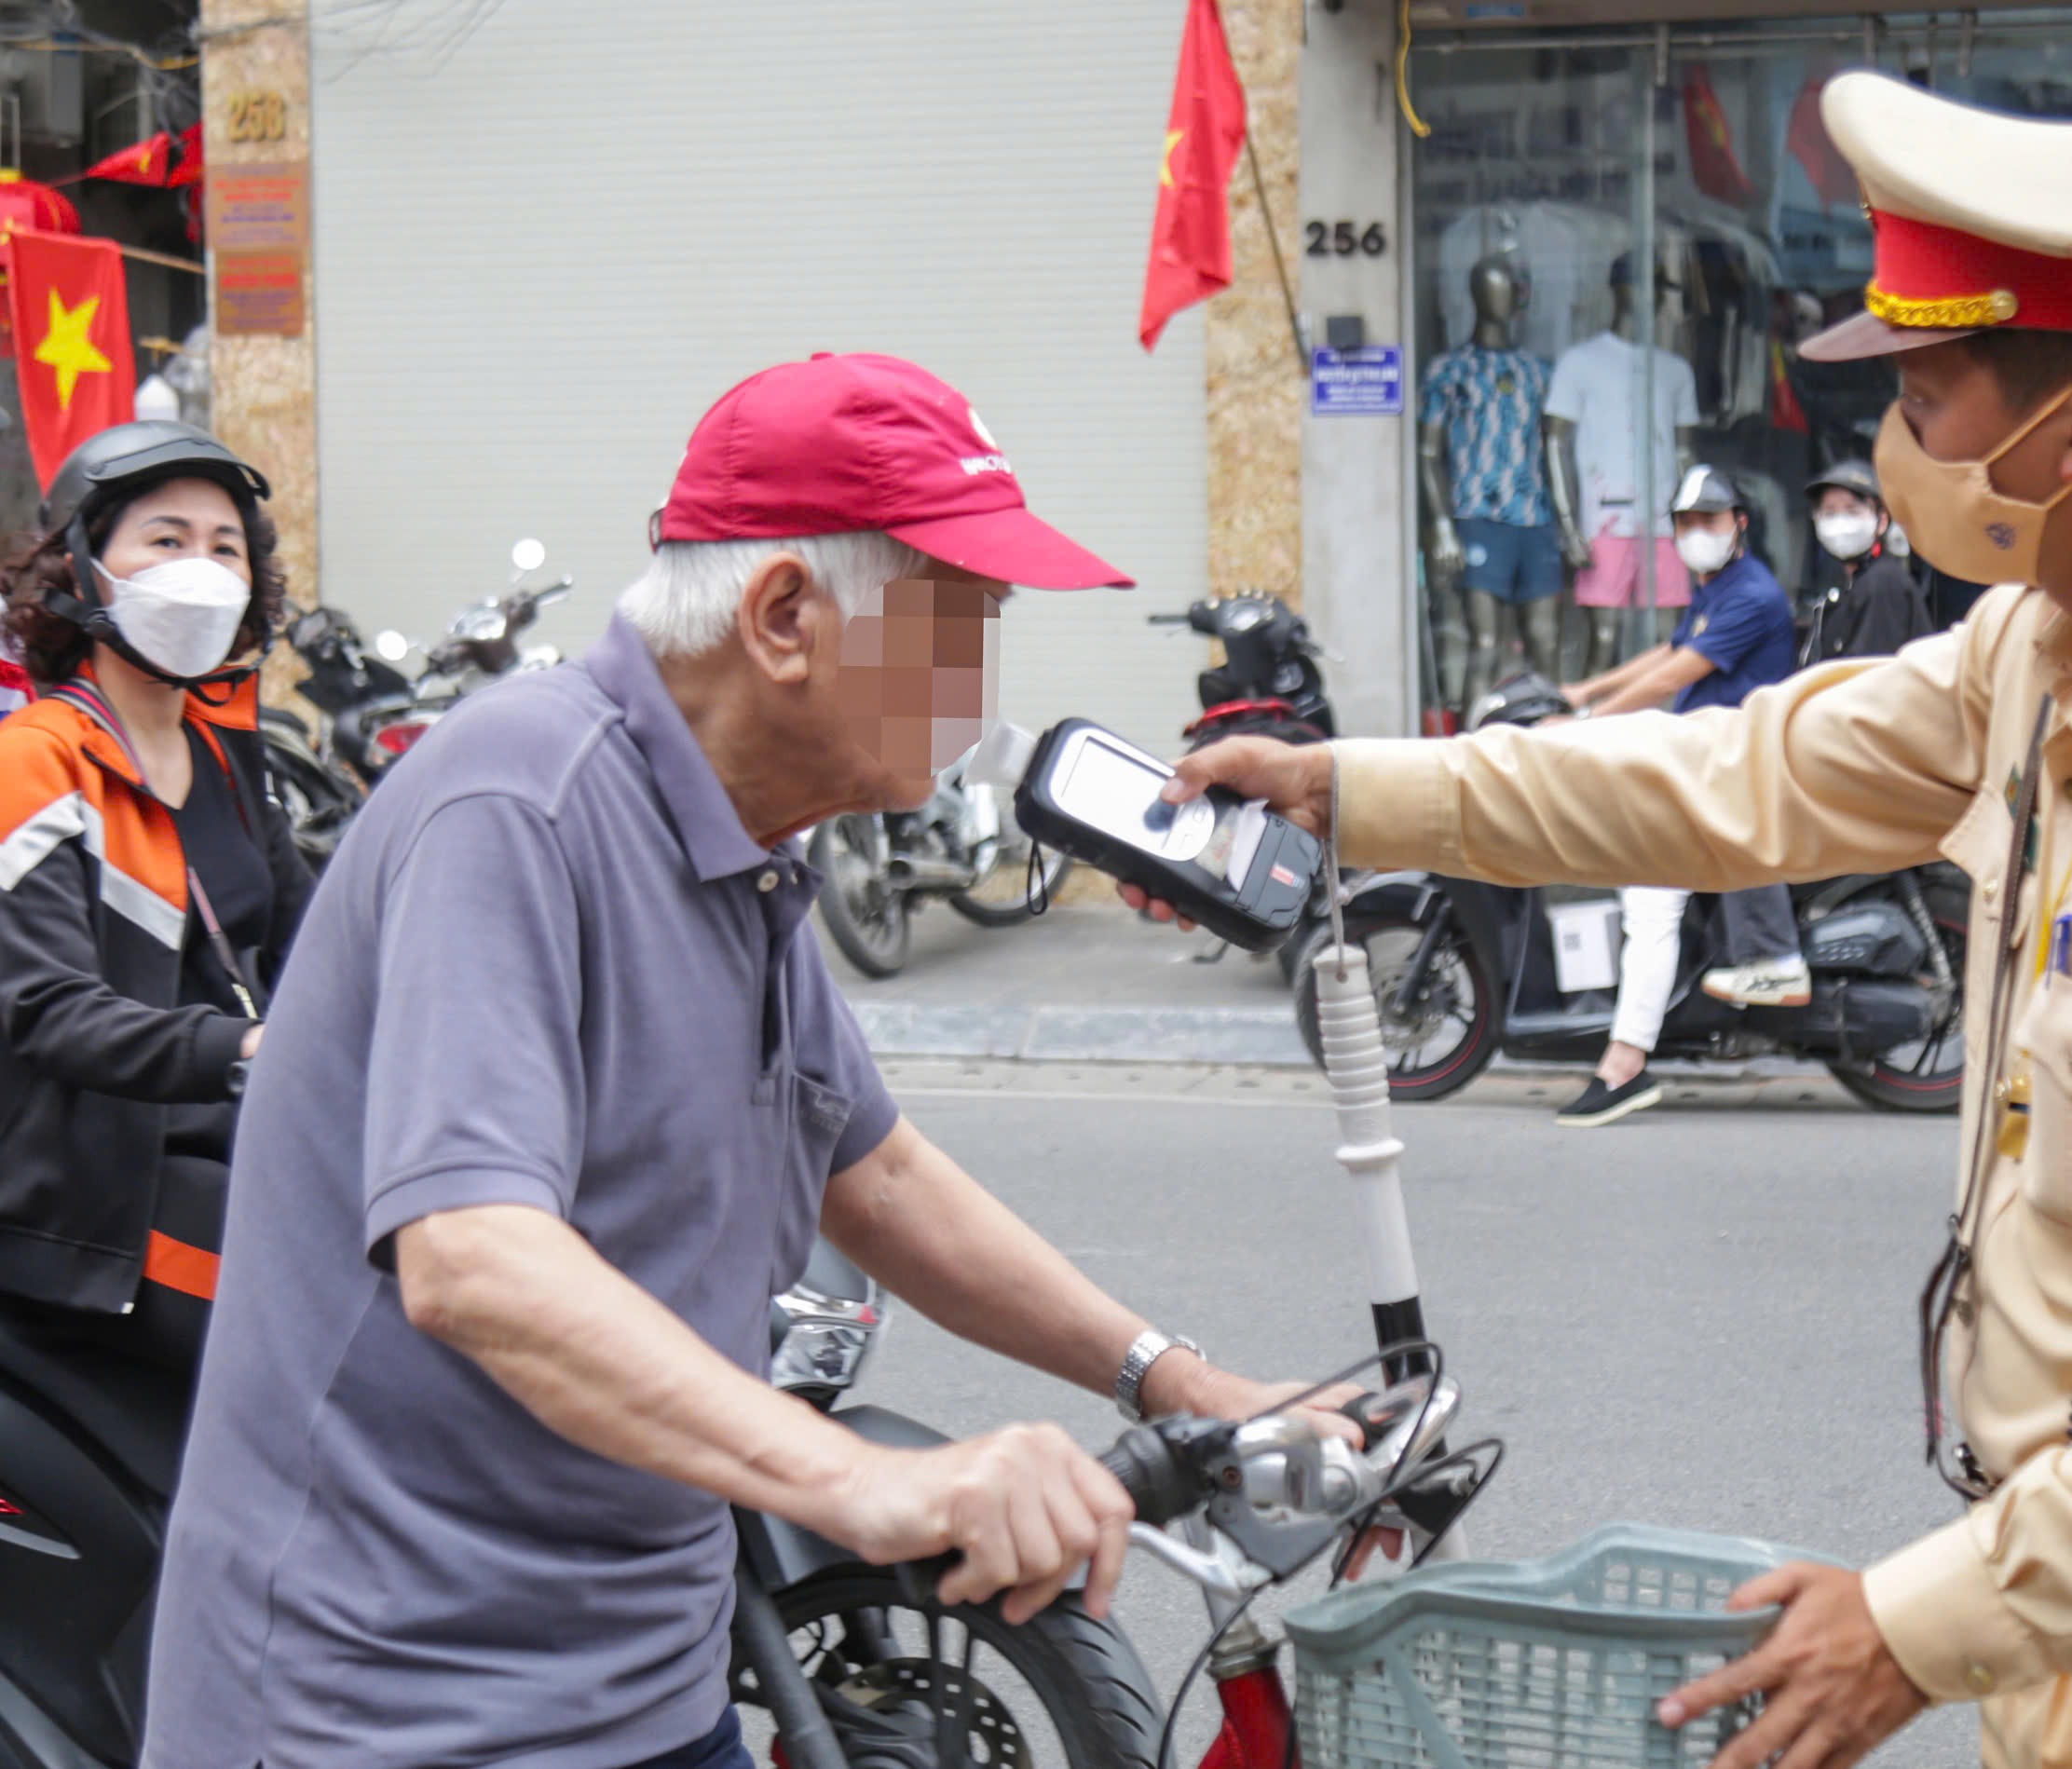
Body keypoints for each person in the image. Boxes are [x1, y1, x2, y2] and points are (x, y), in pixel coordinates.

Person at [1138, 71, 2072, 1769]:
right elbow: (1721, 779)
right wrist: (1342, 786)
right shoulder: (2044, 645)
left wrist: (1907, 1628)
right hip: (2061, 1615)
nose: (1893, 452)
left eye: (1926, 399)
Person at [143, 355, 1336, 1769]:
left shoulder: (746, 847)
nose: (980, 686)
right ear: (785, 619)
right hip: (389, 1706)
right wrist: (871, 1483)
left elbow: (872, 1166)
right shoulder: (516, 801)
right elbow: (473, 1256)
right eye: (959, 628)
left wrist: (1180, 1382)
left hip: (644, 1681)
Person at [0, 421, 310, 1402]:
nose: (202, 571)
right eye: (165, 541)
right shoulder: (36, 761)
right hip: (108, 1190)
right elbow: (50, 1011)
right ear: (84, 569)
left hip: (242, 1137)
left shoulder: (227, 761)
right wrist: (249, 1050)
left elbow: (331, 946)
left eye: (226, 548)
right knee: (366, 1328)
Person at [1551, 463, 1804, 1127]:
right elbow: (1666, 655)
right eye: (1686, 524)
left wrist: (1585, 722)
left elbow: (1678, 676)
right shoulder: (1717, 587)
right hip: (1703, 756)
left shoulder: (1752, 594)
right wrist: (1583, 692)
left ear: (1739, 524)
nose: (1696, 534)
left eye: (1709, 522)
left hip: (1726, 768)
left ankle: (1625, 1063)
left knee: (1651, 902)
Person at [1803, 457, 1937, 663]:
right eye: (1829, 512)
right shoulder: (1850, 583)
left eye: (1852, 511)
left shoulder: (1883, 583)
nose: (1840, 523)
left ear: (1882, 521)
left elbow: (1865, 677)